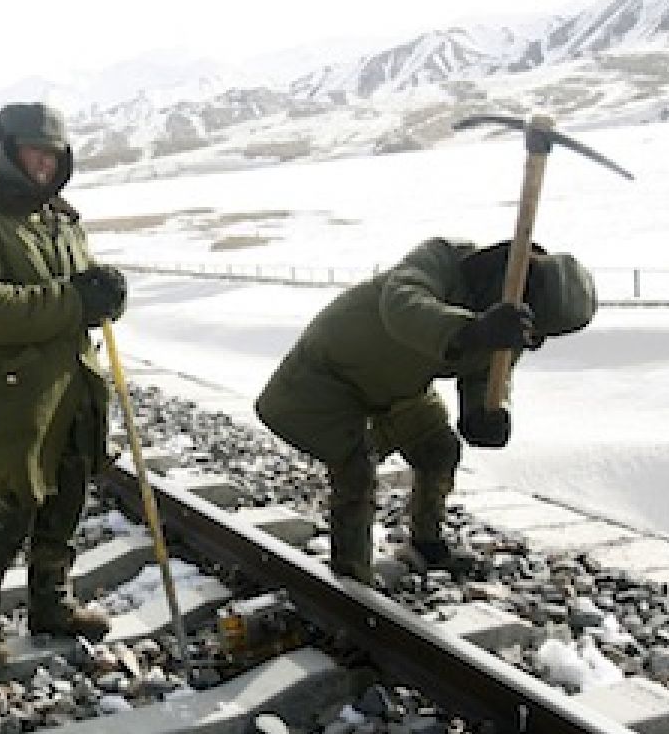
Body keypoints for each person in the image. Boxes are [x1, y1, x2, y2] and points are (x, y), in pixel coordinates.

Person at [253, 237, 597, 583]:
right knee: (356, 471)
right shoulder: (444, 258)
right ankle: (351, 577)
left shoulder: (509, 323)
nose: (533, 339)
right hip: (328, 381)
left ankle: (427, 543)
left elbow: (487, 372)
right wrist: (472, 331)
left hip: (398, 391)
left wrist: (486, 413)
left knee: (439, 450)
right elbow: (401, 306)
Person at [0, 102, 128, 669]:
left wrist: (101, 294)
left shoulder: (62, 220)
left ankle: (52, 604)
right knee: (13, 506)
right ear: (7, 151)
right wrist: (74, 301)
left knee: (68, 496)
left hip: (72, 389)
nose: (42, 166)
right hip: (11, 399)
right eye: (33, 153)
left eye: (52, 156)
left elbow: (76, 289)